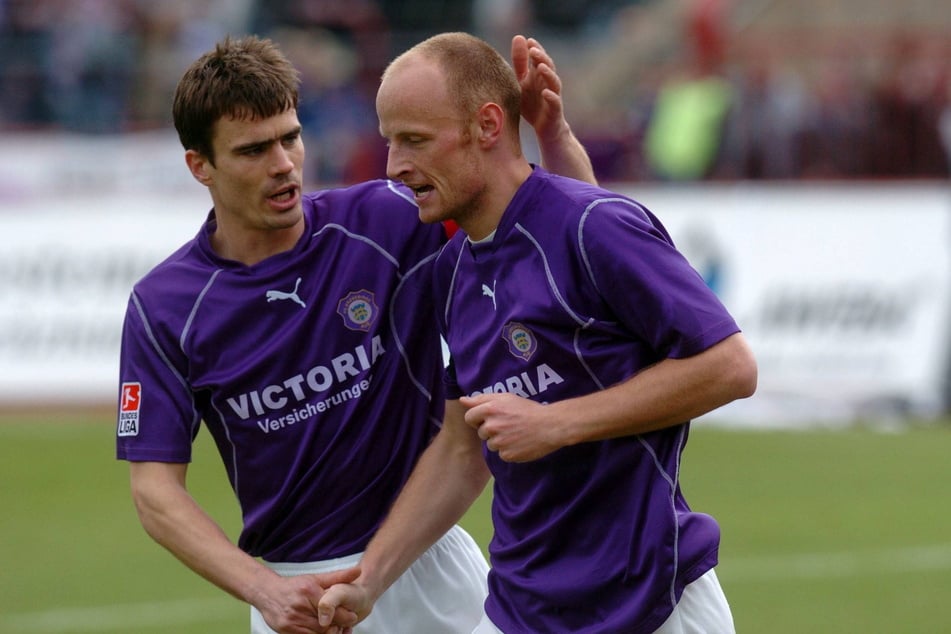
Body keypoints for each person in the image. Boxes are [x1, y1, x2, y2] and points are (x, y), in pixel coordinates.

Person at [114, 33, 595, 634]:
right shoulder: (165, 307)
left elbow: (565, 241)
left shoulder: (387, 219)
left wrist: (554, 137)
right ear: (200, 166)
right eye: (253, 150)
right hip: (296, 600)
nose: (283, 163)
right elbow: (155, 494)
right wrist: (263, 588)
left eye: (290, 136)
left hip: (432, 569)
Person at [317, 32, 758, 633]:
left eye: (414, 140)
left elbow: (730, 366)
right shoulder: (449, 273)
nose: (395, 166)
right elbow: (457, 446)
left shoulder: (594, 226)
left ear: (488, 125)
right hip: (521, 609)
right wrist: (369, 580)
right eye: (390, 141)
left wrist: (557, 422)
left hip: (654, 603)